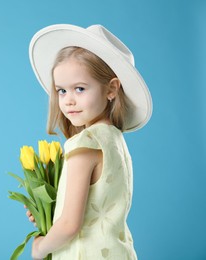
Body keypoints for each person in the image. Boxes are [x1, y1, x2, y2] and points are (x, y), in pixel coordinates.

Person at [26, 24, 153, 259]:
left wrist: (40, 247)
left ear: (111, 89)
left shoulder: (84, 145)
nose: (68, 101)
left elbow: (69, 226)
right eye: (61, 91)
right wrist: (48, 211)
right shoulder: (114, 139)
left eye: (80, 89)